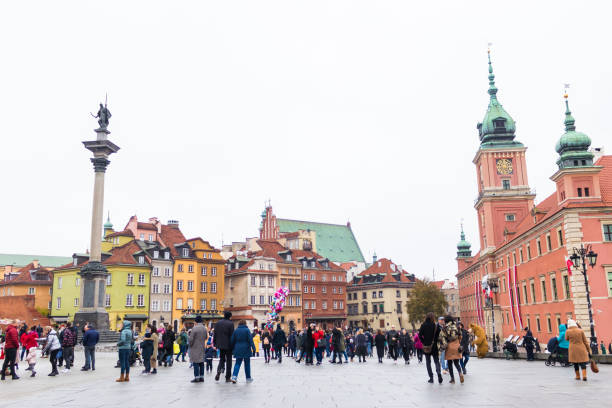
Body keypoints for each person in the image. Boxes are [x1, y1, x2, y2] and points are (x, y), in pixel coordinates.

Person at [439, 316, 464, 384]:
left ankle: (452, 379)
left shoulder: (444, 327)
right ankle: (460, 373)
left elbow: (442, 337)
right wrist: (458, 342)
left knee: (449, 363)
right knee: (456, 362)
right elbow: (460, 335)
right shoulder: (457, 326)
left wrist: (444, 345)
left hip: (449, 345)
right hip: (456, 345)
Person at [419, 312, 442, 384]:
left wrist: (423, 342)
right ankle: (438, 373)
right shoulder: (435, 326)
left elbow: (420, 336)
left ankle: (431, 378)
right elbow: (439, 336)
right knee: (436, 361)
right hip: (434, 346)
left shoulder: (423, 325)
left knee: (428, 362)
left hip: (426, 346)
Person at [214, 311, 234, 382]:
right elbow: (232, 335)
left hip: (220, 345)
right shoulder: (231, 324)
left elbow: (215, 334)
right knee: (229, 361)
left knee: (221, 359)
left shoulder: (218, 323)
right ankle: (227, 377)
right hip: (228, 345)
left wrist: (215, 343)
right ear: (229, 316)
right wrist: (233, 345)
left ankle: (218, 371)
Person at [188, 315, 208, 383]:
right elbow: (206, 337)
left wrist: (190, 345)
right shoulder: (204, 328)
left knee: (196, 362)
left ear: (196, 321)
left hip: (195, 347)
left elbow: (191, 339)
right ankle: (202, 377)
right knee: (201, 362)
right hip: (202, 347)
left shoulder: (194, 328)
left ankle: (196, 377)